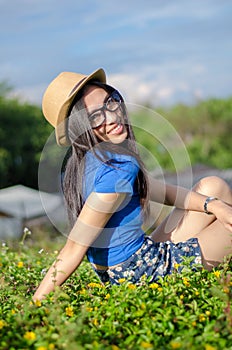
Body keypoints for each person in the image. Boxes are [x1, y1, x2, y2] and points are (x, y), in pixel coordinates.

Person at [33, 68, 232, 301]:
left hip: (129, 269)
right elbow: (74, 248)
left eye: (111, 102)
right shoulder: (116, 170)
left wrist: (214, 205)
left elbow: (164, 192)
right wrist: (35, 305)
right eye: (95, 116)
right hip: (144, 277)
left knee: (212, 186)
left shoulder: (91, 161)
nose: (112, 117)